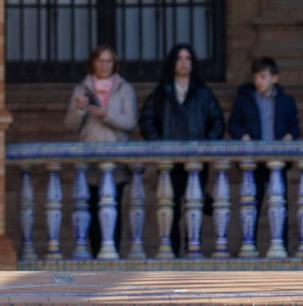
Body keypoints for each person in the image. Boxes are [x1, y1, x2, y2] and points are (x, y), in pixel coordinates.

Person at [139, 43, 224, 254]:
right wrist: (158, 142)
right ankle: (174, 254)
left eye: (188, 58)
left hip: (196, 160)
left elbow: (218, 122)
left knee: (194, 207)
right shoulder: (162, 92)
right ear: (173, 63)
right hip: (170, 162)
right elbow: (146, 120)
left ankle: (193, 251)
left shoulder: (203, 93)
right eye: (179, 58)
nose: (184, 63)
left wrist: (206, 144)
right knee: (172, 209)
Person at [64, 45, 136, 258]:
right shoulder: (81, 89)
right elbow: (70, 125)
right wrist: (78, 109)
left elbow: (131, 122)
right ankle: (97, 254)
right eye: (100, 61)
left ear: (115, 64)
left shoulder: (125, 88)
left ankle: (113, 253)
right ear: (92, 63)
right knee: (93, 210)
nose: (104, 65)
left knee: (114, 210)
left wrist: (107, 114)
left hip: (117, 160)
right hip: (90, 161)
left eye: (108, 61)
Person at [227, 56, 300, 251]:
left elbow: (295, 126)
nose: (258, 81)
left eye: (263, 76)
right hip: (253, 163)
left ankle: (281, 249)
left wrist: (289, 137)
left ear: (274, 78)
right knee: (252, 207)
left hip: (277, 162)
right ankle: (249, 248)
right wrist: (242, 136)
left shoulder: (286, 102)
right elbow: (233, 124)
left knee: (280, 208)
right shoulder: (244, 101)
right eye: (256, 77)